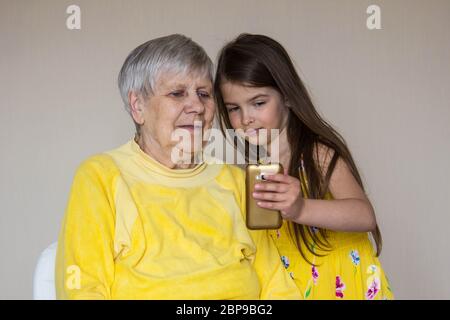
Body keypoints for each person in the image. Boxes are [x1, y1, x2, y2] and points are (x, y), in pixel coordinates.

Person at [55, 34, 301, 300]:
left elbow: (276, 283)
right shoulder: (101, 176)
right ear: (138, 107)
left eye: (204, 94)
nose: (197, 106)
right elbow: (82, 287)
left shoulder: (234, 181)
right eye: (177, 93)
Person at [214, 33, 394, 300]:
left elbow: (364, 215)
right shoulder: (256, 171)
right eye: (233, 108)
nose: (245, 119)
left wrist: (300, 208)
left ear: (286, 96)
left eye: (258, 103)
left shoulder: (317, 153)